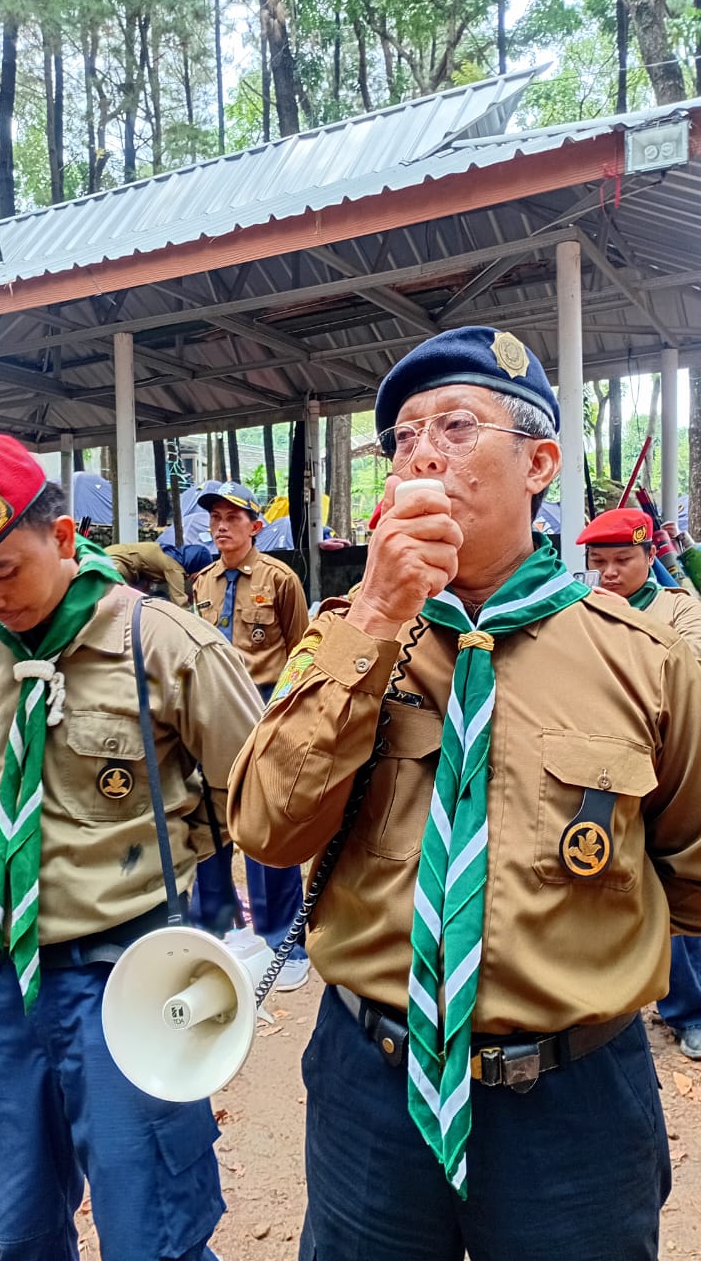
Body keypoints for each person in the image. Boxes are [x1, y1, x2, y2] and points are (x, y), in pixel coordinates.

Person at [228, 326, 701, 1261]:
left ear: (540, 463)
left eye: (454, 424)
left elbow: (690, 872)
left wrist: (577, 957)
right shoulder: (343, 638)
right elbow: (268, 830)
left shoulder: (647, 661)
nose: (423, 454)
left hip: (573, 1105)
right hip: (375, 1090)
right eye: (402, 438)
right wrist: (375, 616)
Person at [0, 436, 263, 1261]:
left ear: (64, 539)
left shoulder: (166, 644)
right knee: (16, 1219)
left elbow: (265, 799)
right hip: (5, 976)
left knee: (152, 1230)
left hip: (130, 976)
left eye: (4, 571)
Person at [578, 507, 701, 1061]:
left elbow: (687, 673)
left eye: (622, 559)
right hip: (606, 769)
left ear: (650, 557)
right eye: (597, 562)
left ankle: (691, 1012)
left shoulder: (678, 609)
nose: (608, 573)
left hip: (673, 764)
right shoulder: (578, 614)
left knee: (680, 879)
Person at [193, 480, 310, 991]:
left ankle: (282, 940)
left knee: (265, 822)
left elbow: (303, 648)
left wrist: (289, 716)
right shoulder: (201, 582)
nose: (221, 526)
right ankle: (214, 930)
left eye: (233, 517)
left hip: (262, 706)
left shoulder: (279, 578)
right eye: (215, 517)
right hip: (209, 711)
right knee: (207, 821)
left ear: (255, 525)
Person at [106, 538, 215, 607]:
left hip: (111, 555)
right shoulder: (174, 567)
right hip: (115, 562)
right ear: (196, 565)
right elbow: (180, 602)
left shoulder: (169, 554)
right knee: (120, 605)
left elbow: (145, 582)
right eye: (201, 573)